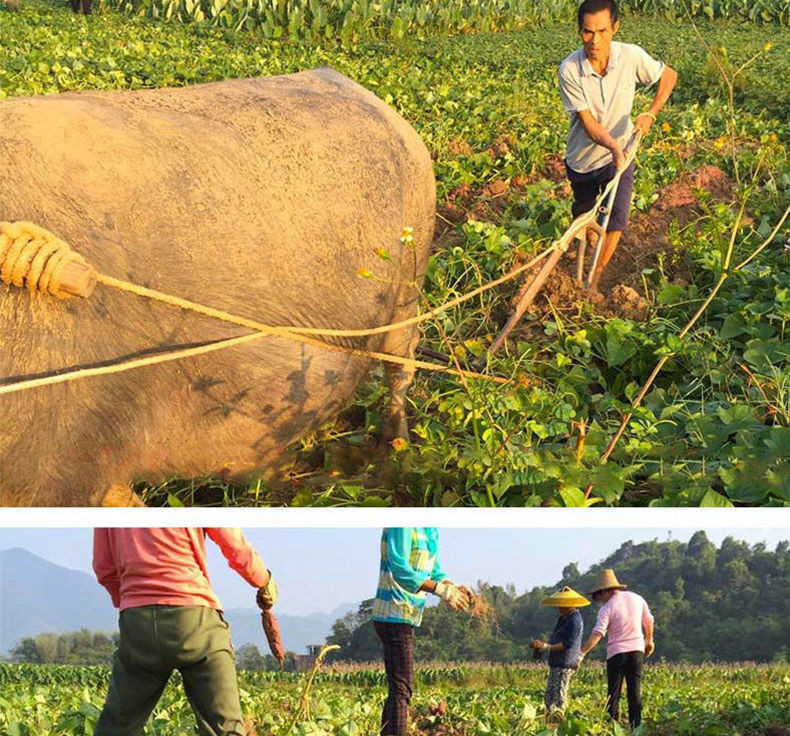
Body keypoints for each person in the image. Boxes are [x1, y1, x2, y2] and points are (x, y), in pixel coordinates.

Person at [92, 527, 278, 736]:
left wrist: (131, 602)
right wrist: (263, 580)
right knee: (225, 728)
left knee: (116, 727)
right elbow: (233, 543)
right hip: (196, 622)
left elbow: (104, 568)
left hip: (137, 625)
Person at [558, 0, 677, 291]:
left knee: (616, 219)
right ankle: (589, 244)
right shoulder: (570, 69)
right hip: (582, 159)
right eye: (587, 32)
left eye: (601, 31)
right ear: (579, 32)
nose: (595, 40)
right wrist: (612, 146)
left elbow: (669, 75)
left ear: (615, 28)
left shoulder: (631, 56)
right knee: (586, 220)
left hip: (621, 155)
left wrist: (650, 113)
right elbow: (587, 123)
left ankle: (595, 277)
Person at [372, 527, 473, 736]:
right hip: (393, 611)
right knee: (402, 690)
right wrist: (440, 590)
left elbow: (434, 570)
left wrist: (450, 586)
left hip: (407, 615)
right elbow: (400, 570)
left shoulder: (430, 530)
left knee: (399, 689)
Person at [580, 568, 655, 730]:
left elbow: (598, 633)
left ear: (604, 591)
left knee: (613, 693)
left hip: (617, 653)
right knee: (634, 691)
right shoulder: (637, 598)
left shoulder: (607, 608)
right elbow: (649, 621)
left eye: (598, 595)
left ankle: (613, 728)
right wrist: (649, 640)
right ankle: (636, 729)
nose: (599, 599)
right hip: (636, 650)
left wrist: (582, 653)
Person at [530, 586, 589, 720]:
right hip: (557, 663)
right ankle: (550, 720)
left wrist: (546, 646)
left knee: (559, 697)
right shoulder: (564, 619)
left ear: (568, 605)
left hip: (565, 663)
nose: (558, 608)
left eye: (561, 605)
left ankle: (559, 723)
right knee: (550, 696)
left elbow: (567, 644)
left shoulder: (574, 621)